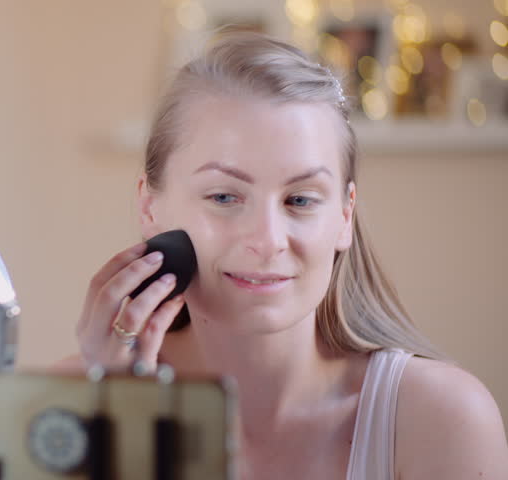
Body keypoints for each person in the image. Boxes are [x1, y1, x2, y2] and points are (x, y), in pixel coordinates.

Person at [54, 31, 508, 478]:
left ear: (345, 216)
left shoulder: (443, 420)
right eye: (224, 197)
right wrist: (122, 429)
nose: (269, 240)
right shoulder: (66, 406)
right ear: (149, 207)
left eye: (301, 199)